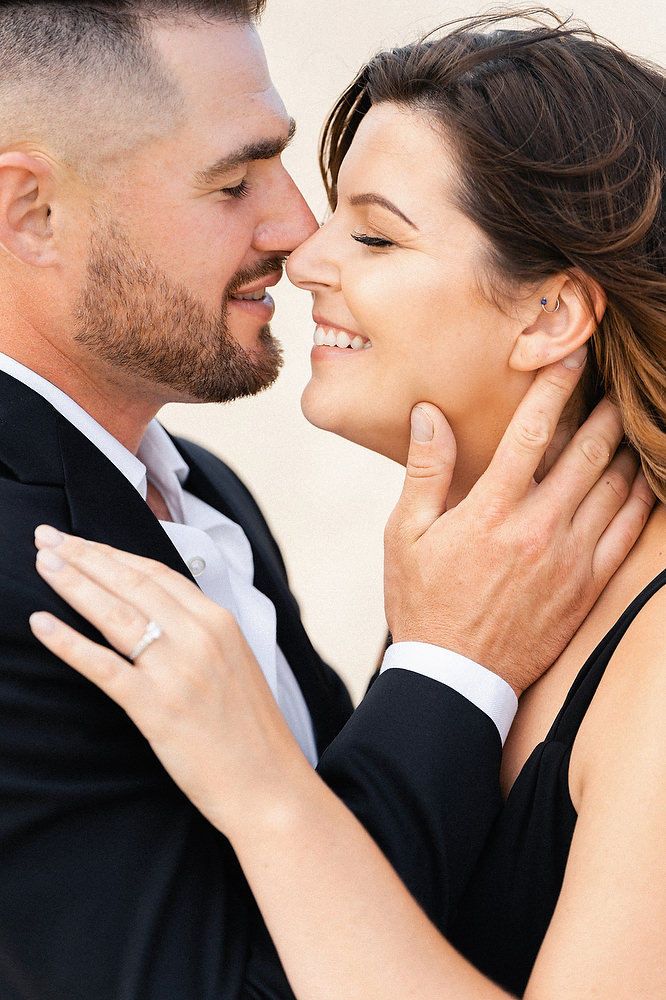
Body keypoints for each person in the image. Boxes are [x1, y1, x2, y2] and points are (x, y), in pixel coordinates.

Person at [0, 3, 649, 998]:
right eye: (232, 182)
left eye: (375, 235)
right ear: (33, 212)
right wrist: (445, 668)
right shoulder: (459, 610)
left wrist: (293, 775)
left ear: (552, 312)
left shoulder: (216, 504)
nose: (301, 241)